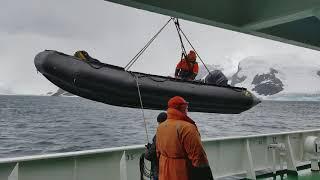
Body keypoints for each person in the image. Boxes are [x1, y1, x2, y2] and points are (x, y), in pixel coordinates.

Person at [156, 96, 213, 180]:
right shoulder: (187, 128)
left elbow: (158, 152)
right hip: (181, 172)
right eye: (186, 108)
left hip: (164, 171)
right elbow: (198, 157)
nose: (187, 111)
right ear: (182, 109)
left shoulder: (160, 126)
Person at [144, 112, 167, 180]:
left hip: (159, 170)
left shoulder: (158, 135)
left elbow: (149, 155)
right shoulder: (173, 133)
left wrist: (149, 149)